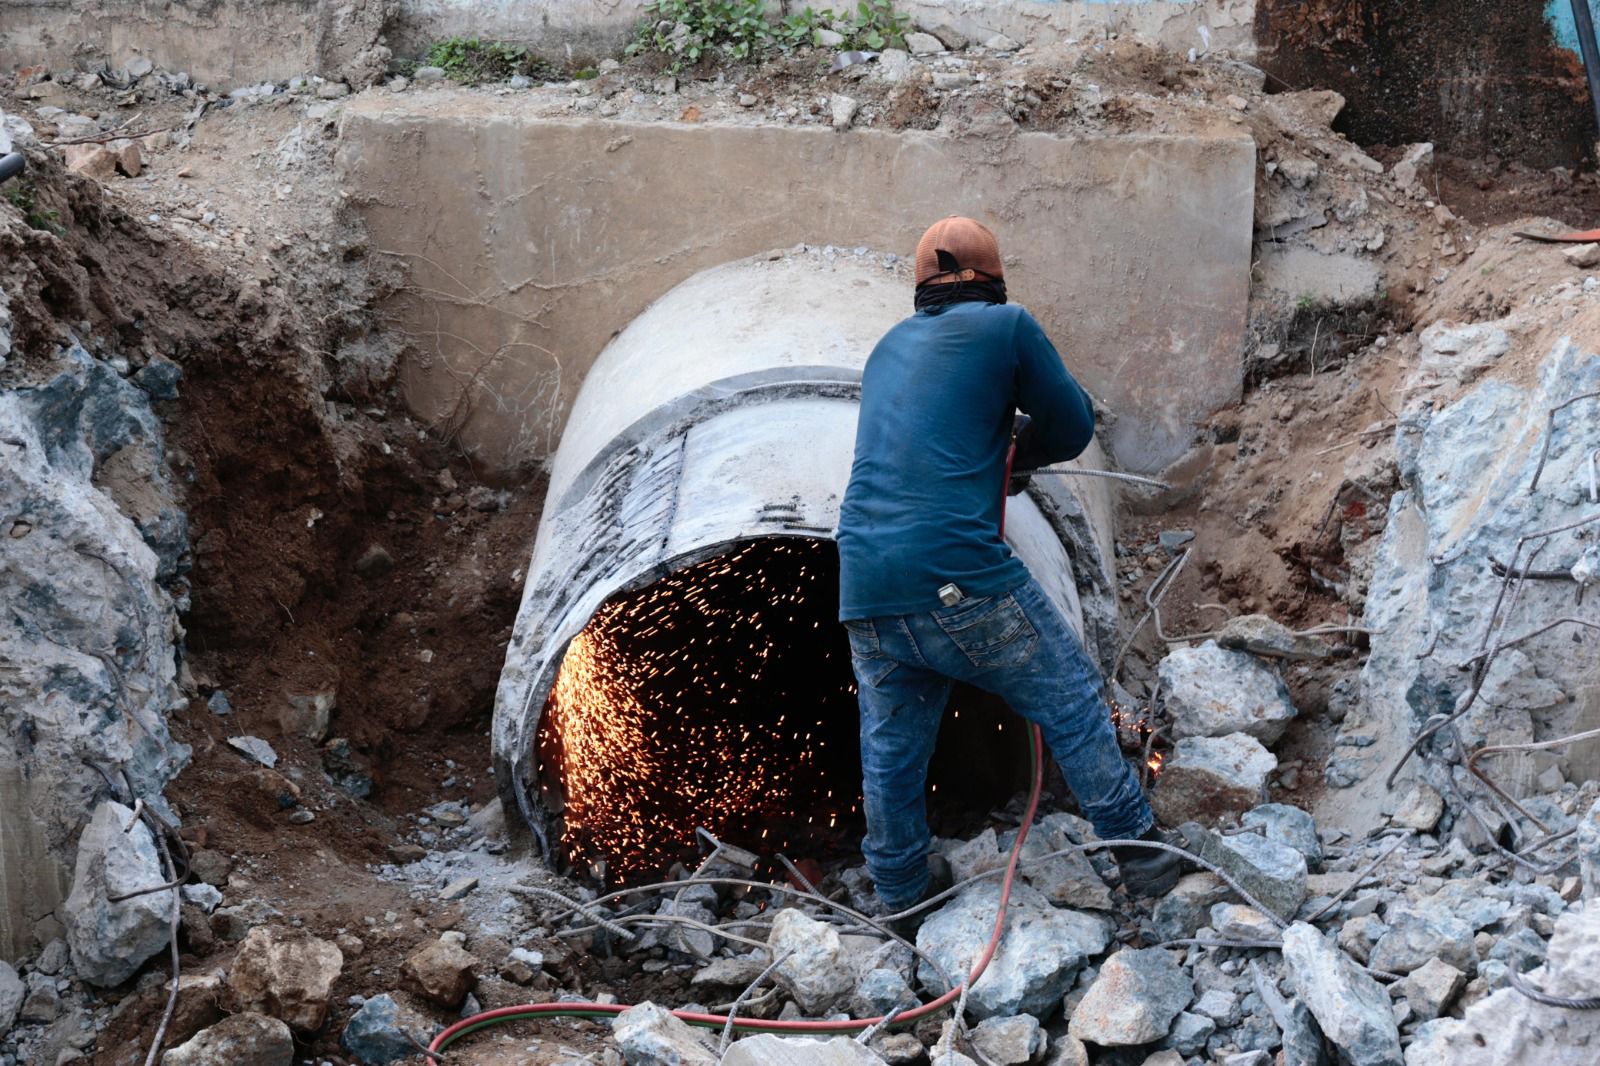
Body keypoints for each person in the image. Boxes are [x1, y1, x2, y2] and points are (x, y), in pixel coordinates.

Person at [835, 216, 1183, 914]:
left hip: (864, 580)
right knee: (1073, 700)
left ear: (920, 289)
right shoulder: (1007, 325)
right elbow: (1073, 423)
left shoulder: (884, 349)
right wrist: (1018, 455)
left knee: (893, 752)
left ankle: (901, 894)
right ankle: (1142, 854)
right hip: (961, 576)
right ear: (993, 282)